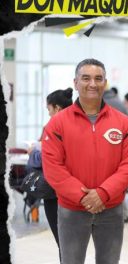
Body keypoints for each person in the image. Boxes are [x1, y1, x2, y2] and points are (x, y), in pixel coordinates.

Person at [42, 58, 128, 264]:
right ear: (76, 83)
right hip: (71, 210)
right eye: (85, 78)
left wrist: (103, 193)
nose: (92, 84)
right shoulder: (57, 124)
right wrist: (83, 196)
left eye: (98, 78)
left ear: (105, 82)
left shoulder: (123, 123)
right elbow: (53, 167)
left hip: (111, 208)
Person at [26, 88, 73, 260]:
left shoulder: (52, 127)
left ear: (57, 108)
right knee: (73, 241)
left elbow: (44, 159)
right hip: (76, 189)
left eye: (49, 110)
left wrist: (33, 152)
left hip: (54, 190)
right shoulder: (81, 123)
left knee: (63, 241)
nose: (49, 114)